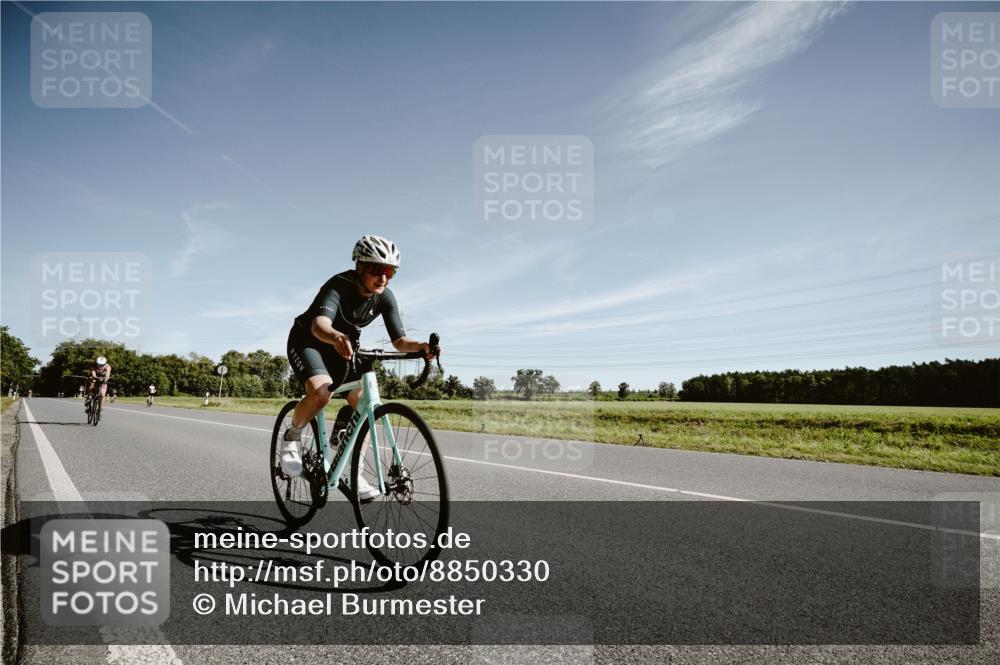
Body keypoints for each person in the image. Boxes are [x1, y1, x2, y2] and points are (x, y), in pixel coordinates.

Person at [282, 235, 438, 502]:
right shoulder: (338, 286)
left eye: (390, 272)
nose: (384, 278)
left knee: (365, 403)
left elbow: (400, 341)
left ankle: (355, 471)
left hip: (345, 345)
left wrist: (421, 347)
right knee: (321, 393)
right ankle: (292, 436)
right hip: (309, 340)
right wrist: (336, 338)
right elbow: (319, 324)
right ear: (361, 267)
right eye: (377, 270)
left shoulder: (385, 297)